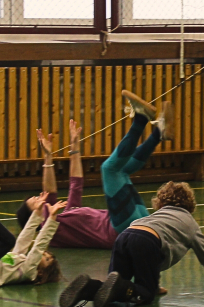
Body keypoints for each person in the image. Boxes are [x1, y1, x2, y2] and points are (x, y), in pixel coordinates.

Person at [13, 91, 171, 241]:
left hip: (132, 222)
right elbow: (50, 191)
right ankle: (140, 120)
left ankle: (159, 133)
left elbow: (76, 184)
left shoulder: (64, 218)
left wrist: (74, 146)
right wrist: (48, 157)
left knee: (122, 170)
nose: (40, 198)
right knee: (109, 169)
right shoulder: (49, 228)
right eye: (35, 202)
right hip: (120, 230)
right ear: (35, 218)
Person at [58, 181, 204, 307]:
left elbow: (149, 262)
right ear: (190, 206)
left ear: (161, 203)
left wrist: (154, 283)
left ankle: (88, 287)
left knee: (111, 286)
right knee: (146, 294)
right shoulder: (190, 223)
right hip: (148, 240)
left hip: (125, 235)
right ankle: (125, 287)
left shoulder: (156, 215)